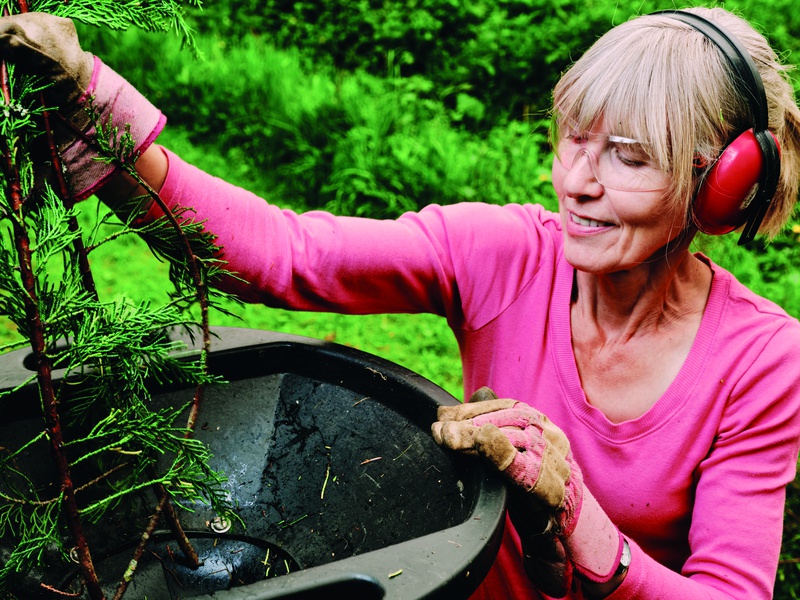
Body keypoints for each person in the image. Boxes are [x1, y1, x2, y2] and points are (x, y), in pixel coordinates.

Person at [2, 5, 800, 599]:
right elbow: (281, 254)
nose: (577, 182)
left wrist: (579, 516)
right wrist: (93, 109)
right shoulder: (507, 255)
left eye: (626, 157)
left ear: (720, 183)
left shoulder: (760, 360)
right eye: (572, 138)